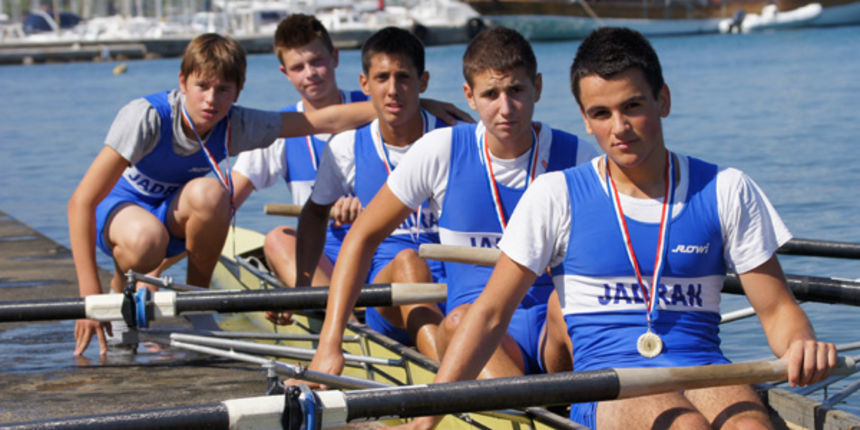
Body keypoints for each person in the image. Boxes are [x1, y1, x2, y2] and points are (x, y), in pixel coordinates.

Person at [408, 27, 837, 430]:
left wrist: (801, 343)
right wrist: (427, 415)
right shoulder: (555, 195)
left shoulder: (728, 189)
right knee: (684, 425)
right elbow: (488, 315)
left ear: (662, 100)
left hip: (705, 366)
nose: (619, 129)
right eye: (601, 113)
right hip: (608, 385)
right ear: (585, 118)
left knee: (750, 426)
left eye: (632, 106)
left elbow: (779, 310)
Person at [304, 27, 596, 383]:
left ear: (537, 87)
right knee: (461, 323)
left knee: (569, 310)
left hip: (550, 335)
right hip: (475, 330)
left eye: (516, 91)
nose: (506, 109)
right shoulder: (441, 151)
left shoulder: (579, 157)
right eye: (491, 94)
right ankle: (536, 405)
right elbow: (361, 237)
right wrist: (329, 343)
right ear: (469, 97)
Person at [68, 33, 379, 357]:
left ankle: (197, 305)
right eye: (202, 86)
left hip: (168, 218)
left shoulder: (236, 124)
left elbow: (321, 120)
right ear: (183, 81)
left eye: (223, 90)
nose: (211, 101)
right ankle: (119, 294)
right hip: (121, 211)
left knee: (215, 193)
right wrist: (88, 297)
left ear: (237, 92)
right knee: (147, 239)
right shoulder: (147, 116)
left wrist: (409, 104)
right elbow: (81, 202)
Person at [295, 27, 450, 359]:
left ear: (423, 82)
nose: (393, 90)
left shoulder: (455, 140)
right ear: (365, 84)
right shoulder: (346, 148)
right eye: (382, 78)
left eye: (403, 78)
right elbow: (314, 212)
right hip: (388, 294)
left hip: (458, 286)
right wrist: (301, 285)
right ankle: (456, 385)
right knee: (409, 262)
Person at [231, 15, 368, 297]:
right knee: (277, 238)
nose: (310, 74)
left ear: (335, 58)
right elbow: (226, 201)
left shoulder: (376, 109)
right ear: (285, 73)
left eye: (317, 61)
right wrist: (159, 267)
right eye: (298, 67)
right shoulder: (280, 130)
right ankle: (346, 323)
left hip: (377, 245)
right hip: (322, 256)